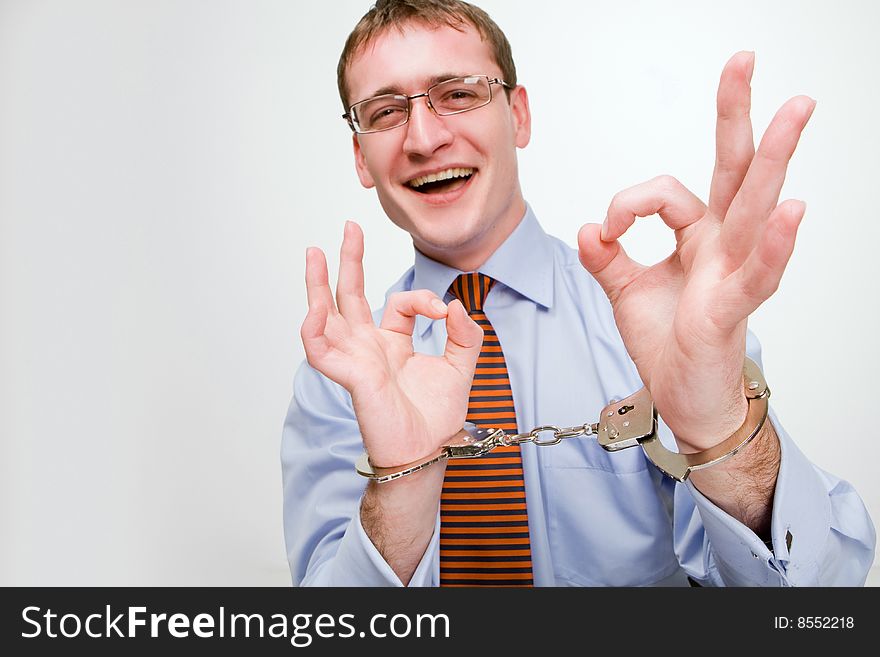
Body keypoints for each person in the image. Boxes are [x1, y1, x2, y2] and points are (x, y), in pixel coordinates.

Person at [281, 0, 875, 586]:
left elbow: (817, 605)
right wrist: (403, 480)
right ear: (361, 156)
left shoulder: (659, 324)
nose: (424, 138)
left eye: (458, 93)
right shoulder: (341, 378)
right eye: (385, 112)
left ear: (519, 115)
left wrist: (722, 434)